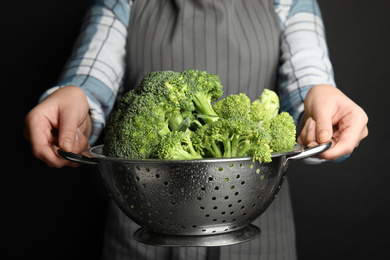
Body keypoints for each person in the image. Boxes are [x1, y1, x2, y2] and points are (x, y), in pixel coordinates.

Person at [24, 0, 368, 259]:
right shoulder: (123, 2)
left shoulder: (289, 2)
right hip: (138, 229)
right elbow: (92, 76)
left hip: (261, 231)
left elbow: (306, 83)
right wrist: (74, 97)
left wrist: (321, 103)